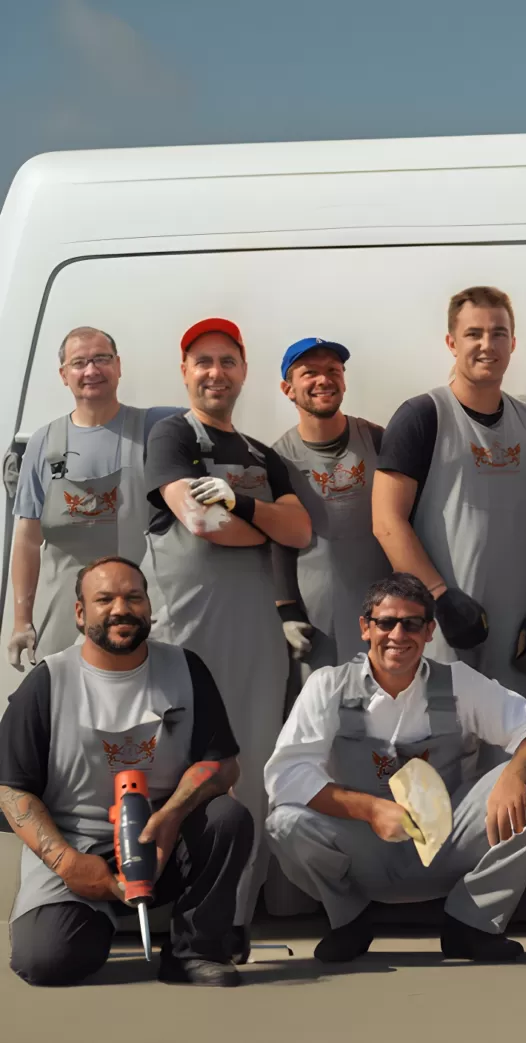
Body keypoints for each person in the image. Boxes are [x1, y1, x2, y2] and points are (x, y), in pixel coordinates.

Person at [373, 287, 526, 917]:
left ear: (514, 342)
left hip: (512, 623)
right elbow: (387, 520)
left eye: (499, 333)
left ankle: (496, 902)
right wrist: (438, 597)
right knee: (440, 759)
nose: (487, 345)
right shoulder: (422, 416)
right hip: (443, 625)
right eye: (475, 334)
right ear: (452, 342)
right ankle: (420, 895)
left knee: (518, 756)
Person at [263, 572, 526, 964]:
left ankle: (472, 924)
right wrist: (370, 810)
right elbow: (287, 775)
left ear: (429, 631)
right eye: (385, 622)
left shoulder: (459, 682)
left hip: (447, 842)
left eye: (412, 623)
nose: (397, 634)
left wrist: (515, 774)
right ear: (365, 628)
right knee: (284, 822)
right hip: (365, 849)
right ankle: (349, 918)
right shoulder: (329, 686)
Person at [1, 557, 251, 986]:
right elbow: (11, 791)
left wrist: (169, 819)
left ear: (149, 607)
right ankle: (91, 922)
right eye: (105, 599)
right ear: (80, 613)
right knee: (46, 962)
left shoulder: (185, 669)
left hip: (162, 841)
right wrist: (67, 863)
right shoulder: (49, 682)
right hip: (76, 847)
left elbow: (222, 765)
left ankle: (196, 950)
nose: (121, 609)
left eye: (134, 597)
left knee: (227, 819)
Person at [143, 318, 312, 933]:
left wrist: (240, 503)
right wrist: (260, 521)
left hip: (256, 643)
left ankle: (231, 920)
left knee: (254, 767)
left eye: (227, 361)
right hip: (186, 638)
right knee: (180, 773)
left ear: (244, 371)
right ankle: (164, 917)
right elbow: (199, 521)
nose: (216, 373)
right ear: (186, 372)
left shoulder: (263, 456)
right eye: (203, 362)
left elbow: (301, 532)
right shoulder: (170, 436)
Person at [8, 328, 162, 667]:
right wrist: (22, 621)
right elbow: (28, 539)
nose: (91, 370)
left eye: (101, 359)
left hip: (134, 619)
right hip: (64, 621)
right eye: (79, 363)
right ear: (64, 375)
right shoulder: (44, 442)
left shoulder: (155, 428)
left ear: (118, 366)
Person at [268, 337, 394, 672]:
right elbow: (278, 541)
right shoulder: (278, 459)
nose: (324, 380)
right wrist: (287, 609)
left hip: (384, 612)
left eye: (333, 370)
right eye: (309, 372)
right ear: (288, 388)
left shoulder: (378, 439)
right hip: (318, 622)